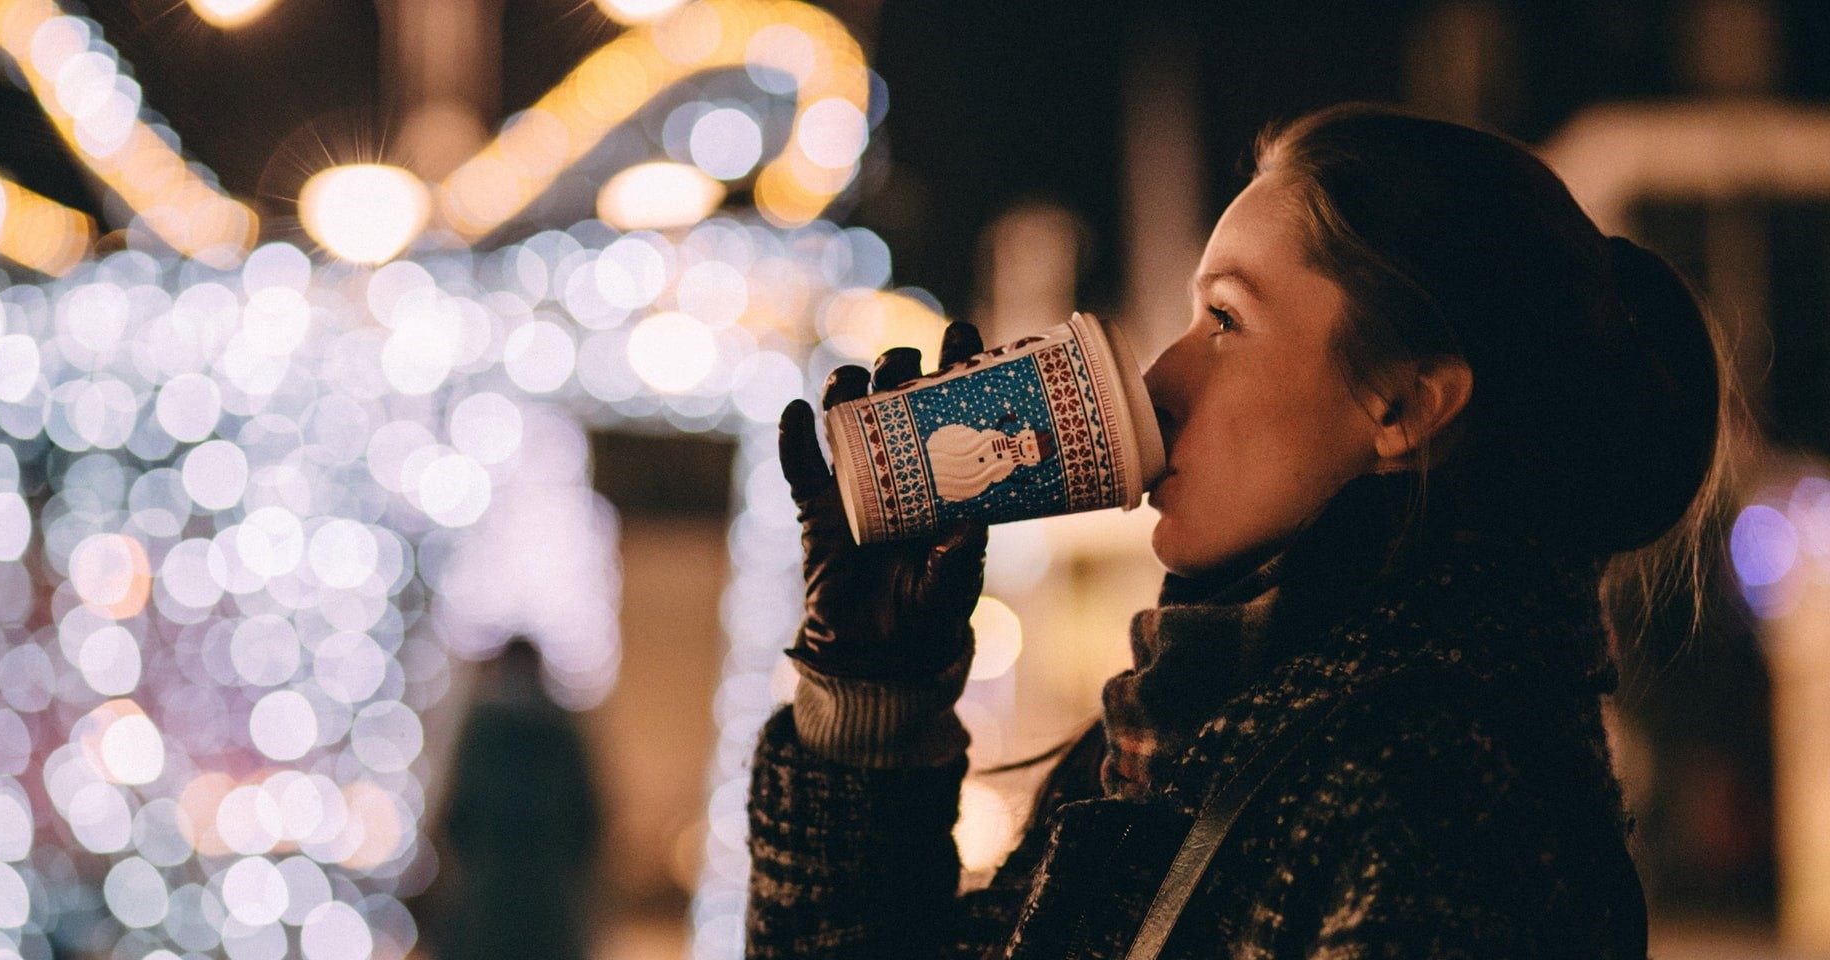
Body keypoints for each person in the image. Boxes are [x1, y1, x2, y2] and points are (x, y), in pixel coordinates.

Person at [745, 102, 1745, 958]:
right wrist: (872, 696)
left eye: (1226, 319)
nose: (1160, 380)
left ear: (1403, 404)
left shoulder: (1442, 802)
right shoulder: (1187, 733)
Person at [426, 637, 603, 960]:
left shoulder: (484, 732)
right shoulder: (555, 732)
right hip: (537, 898)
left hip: (498, 896)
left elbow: (456, 815)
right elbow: (588, 818)